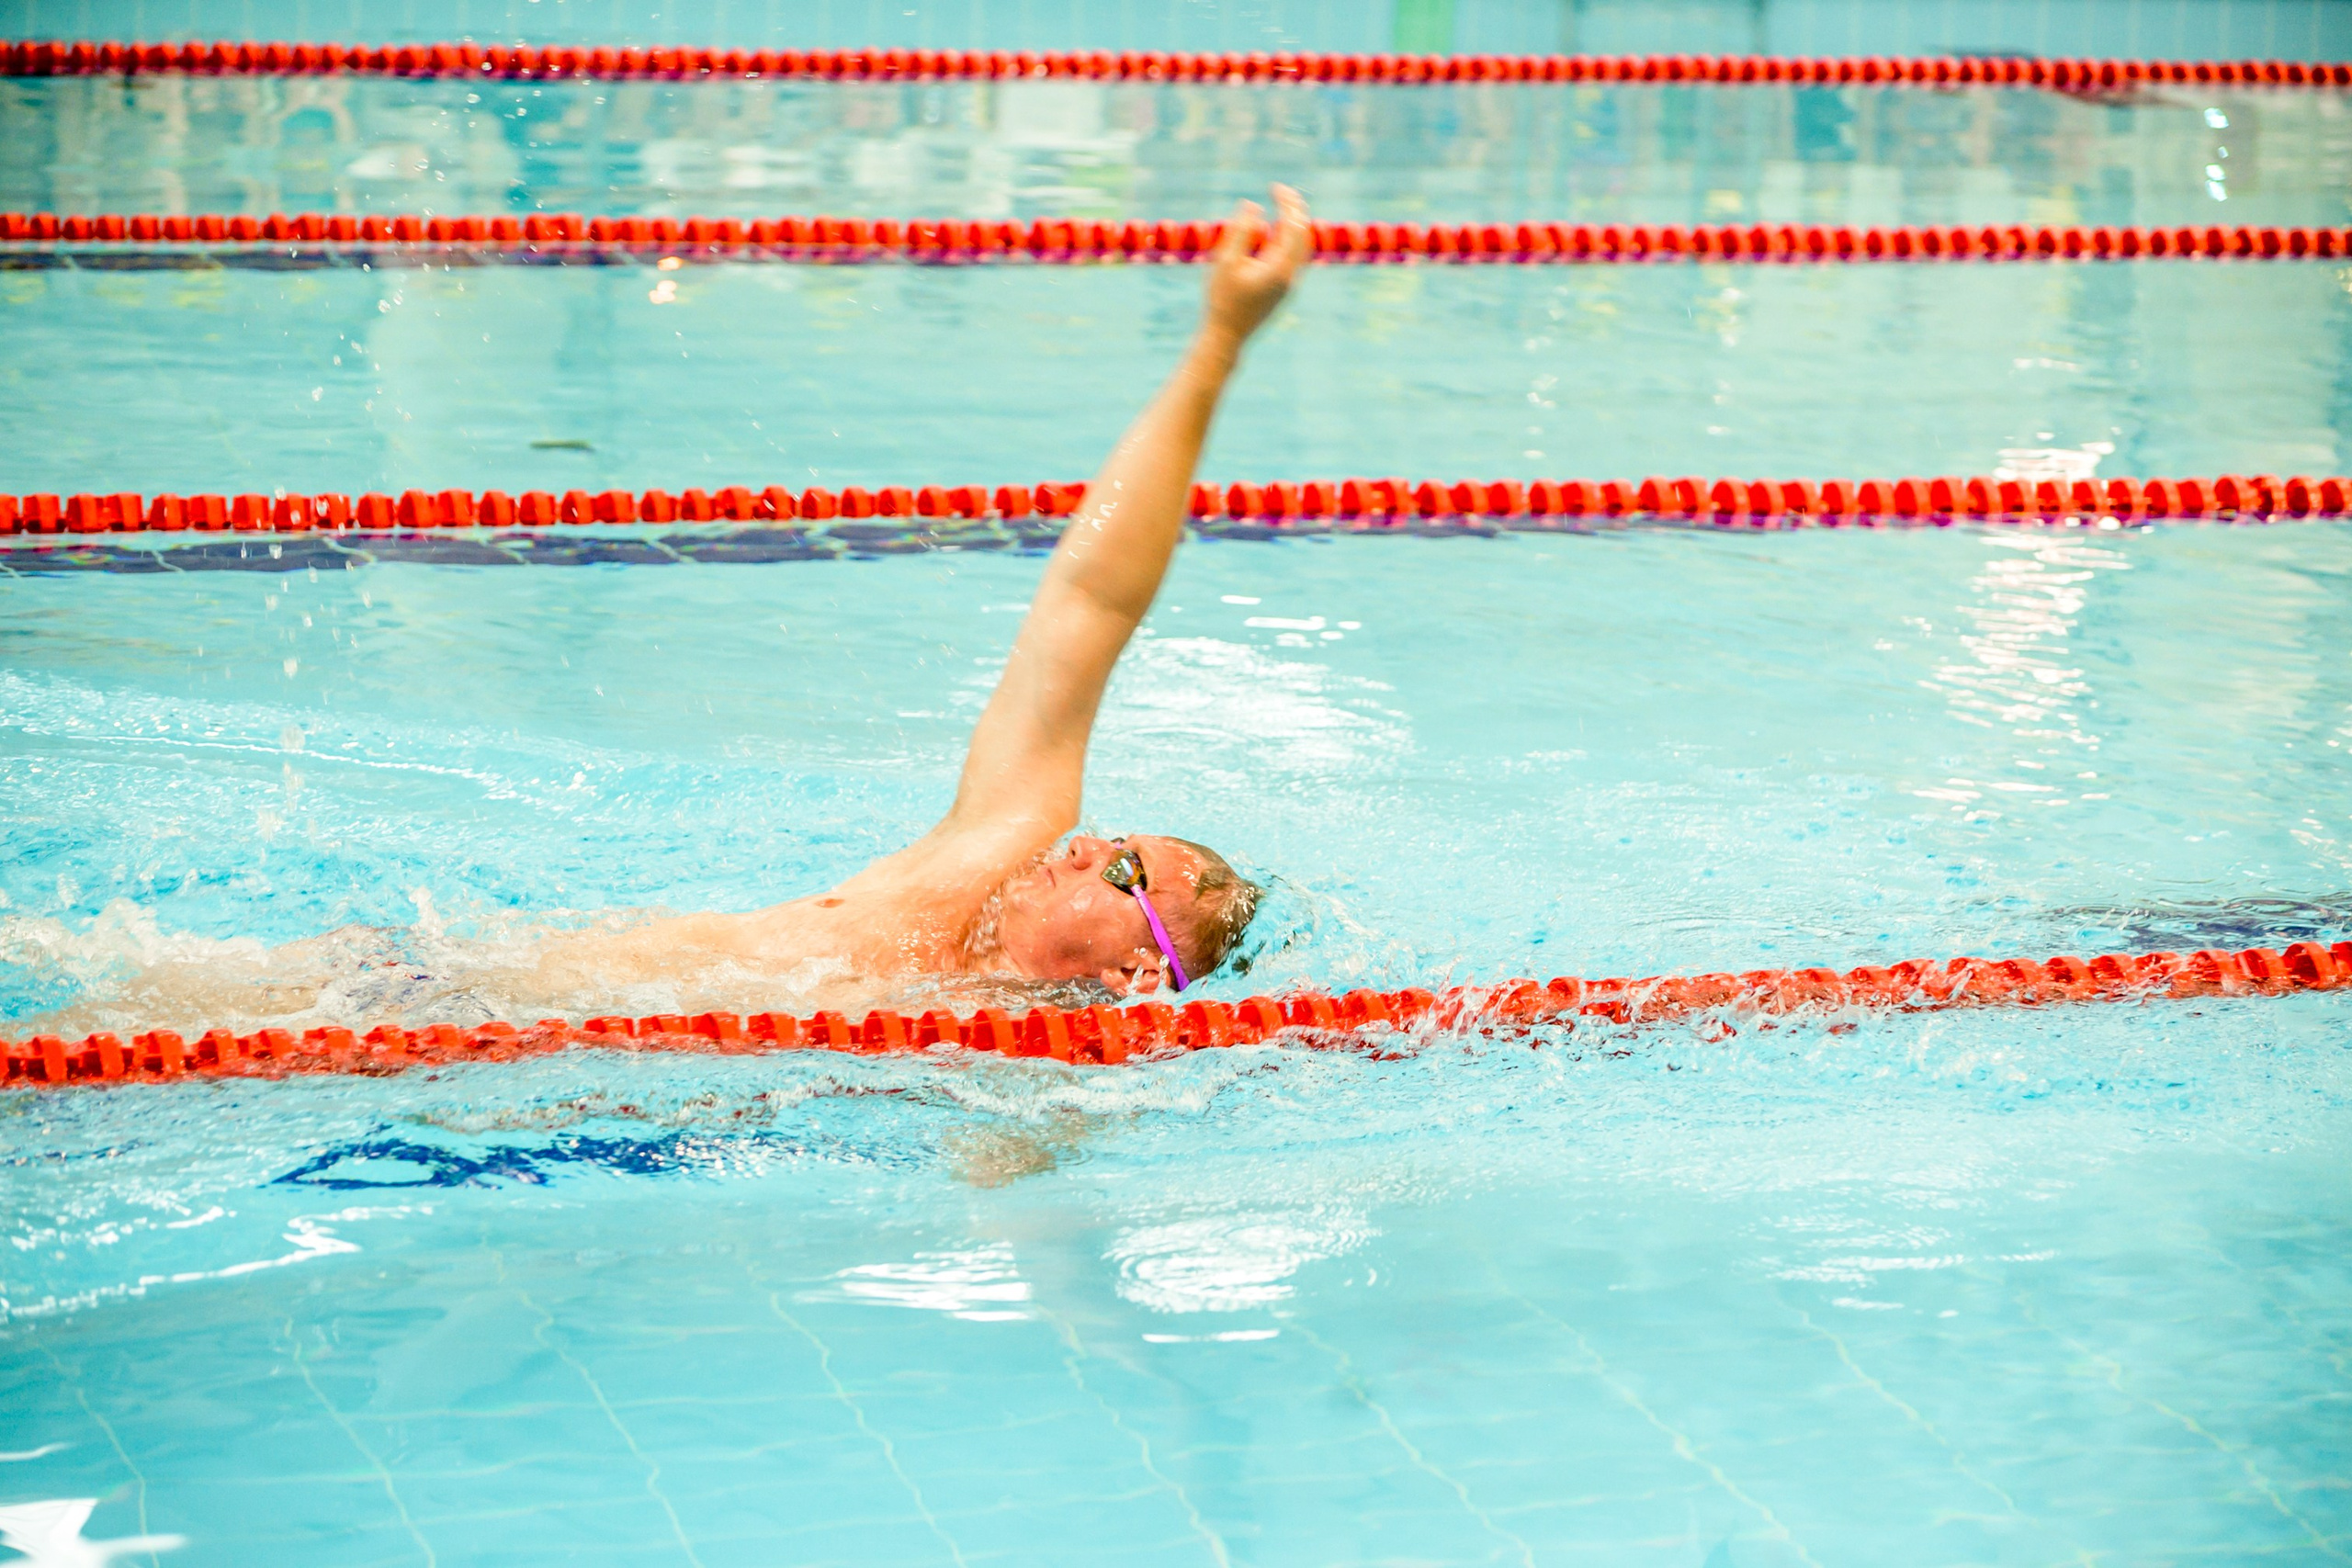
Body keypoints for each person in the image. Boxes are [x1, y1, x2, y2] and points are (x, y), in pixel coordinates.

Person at [518, 186, 1315, 1006]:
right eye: (1108, 841)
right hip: (469, 997)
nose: (1081, 845)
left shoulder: (1013, 1067)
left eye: (1123, 870)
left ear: (1135, 974)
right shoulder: (982, 850)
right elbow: (1091, 602)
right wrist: (1218, 343)